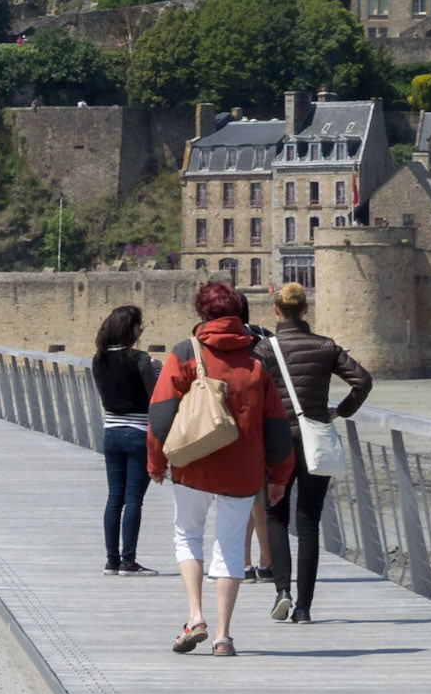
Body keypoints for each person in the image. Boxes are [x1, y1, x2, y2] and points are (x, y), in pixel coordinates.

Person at [147, 278, 294, 658]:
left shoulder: (186, 351)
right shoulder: (256, 361)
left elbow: (160, 413)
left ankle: (195, 616)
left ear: (203, 313)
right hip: (243, 469)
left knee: (187, 535)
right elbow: (276, 425)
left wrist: (156, 460)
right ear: (237, 314)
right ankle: (224, 636)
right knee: (229, 547)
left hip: (193, 461)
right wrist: (279, 475)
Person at [257, 281, 372, 626]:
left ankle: (282, 592)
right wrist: (341, 411)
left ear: (276, 310)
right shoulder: (325, 346)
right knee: (308, 522)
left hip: (277, 440)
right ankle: (304, 608)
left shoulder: (264, 349)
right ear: (306, 310)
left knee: (275, 514)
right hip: (315, 439)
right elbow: (363, 381)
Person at [89, 304, 157, 575]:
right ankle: (129, 561)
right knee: (133, 499)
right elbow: (155, 397)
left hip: (111, 433)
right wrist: (155, 371)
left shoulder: (98, 359)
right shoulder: (140, 359)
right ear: (130, 329)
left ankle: (111, 560)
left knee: (114, 497)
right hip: (138, 434)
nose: (140, 331)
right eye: (138, 326)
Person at [237, 293, 274, 585]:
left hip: (223, 429)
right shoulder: (265, 339)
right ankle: (265, 561)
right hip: (260, 427)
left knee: (239, 498)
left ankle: (244, 562)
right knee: (259, 500)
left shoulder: (209, 343)